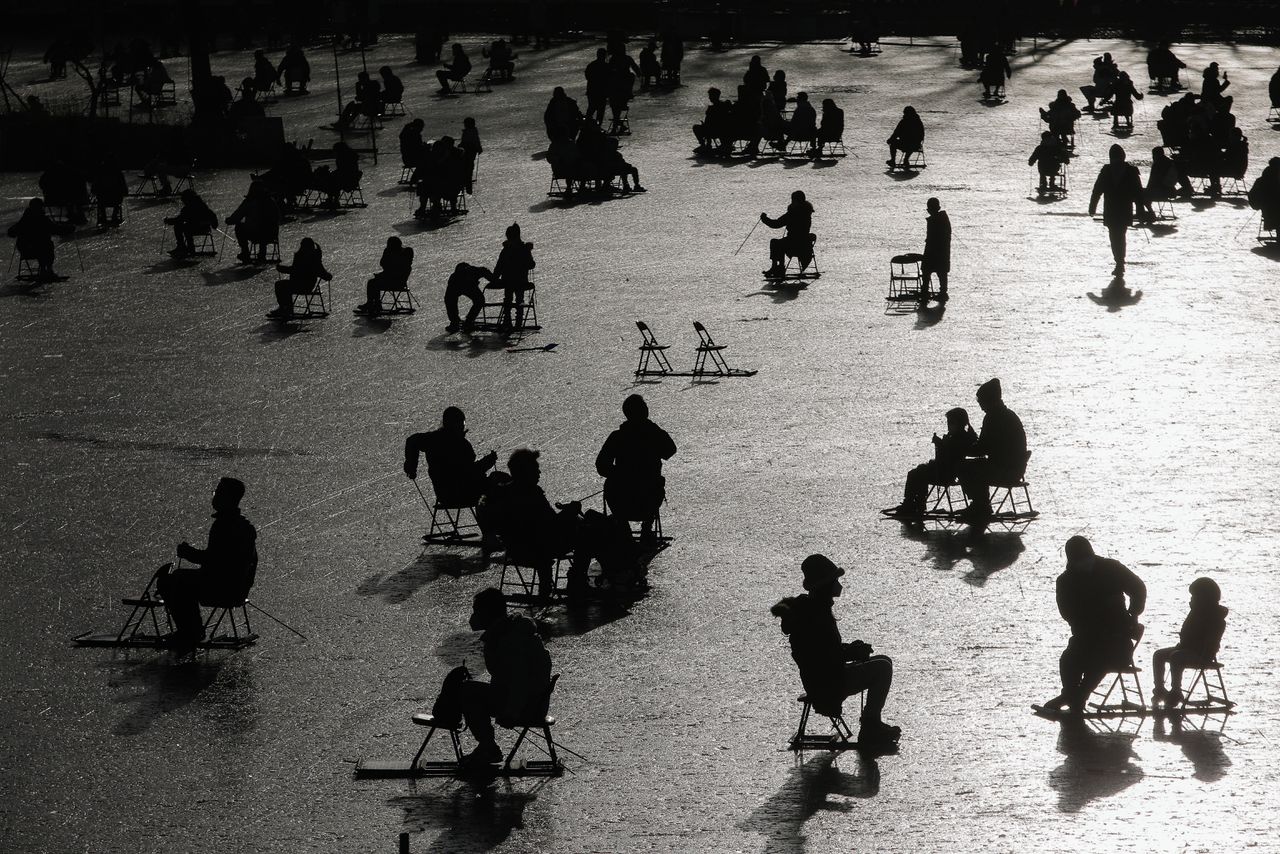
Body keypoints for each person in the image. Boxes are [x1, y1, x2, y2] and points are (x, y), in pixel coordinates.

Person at [770, 554, 902, 747]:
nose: (838, 585)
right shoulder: (815, 616)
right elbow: (826, 657)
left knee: (884, 660)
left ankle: (871, 723)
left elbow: (827, 650)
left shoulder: (814, 610)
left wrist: (851, 649)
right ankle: (870, 727)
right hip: (828, 683)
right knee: (882, 668)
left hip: (825, 677)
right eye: (835, 581)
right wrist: (853, 652)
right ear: (825, 585)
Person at [429, 588, 552, 766]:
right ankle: (487, 746)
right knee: (470, 690)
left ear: (487, 613)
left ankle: (488, 747)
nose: (473, 616)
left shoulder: (509, 639)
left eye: (476, 611)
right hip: (530, 701)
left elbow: (520, 680)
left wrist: (512, 712)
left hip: (526, 704)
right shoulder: (507, 632)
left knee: (467, 692)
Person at [1040, 536, 1146, 716]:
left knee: (1100, 661)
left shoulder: (1111, 568)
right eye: (1079, 560)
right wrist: (1087, 621)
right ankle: (1070, 695)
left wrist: (1133, 613)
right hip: (1086, 636)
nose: (1084, 563)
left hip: (1117, 639)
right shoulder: (1065, 580)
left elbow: (1138, 588)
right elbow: (1067, 612)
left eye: (1086, 558)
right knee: (1068, 659)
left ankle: (1078, 696)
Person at [156, 477, 258, 656]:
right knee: (180, 577)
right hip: (236, 588)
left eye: (217, 493)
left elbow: (215, 560)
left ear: (226, 498)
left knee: (169, 581)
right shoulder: (243, 526)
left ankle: (190, 632)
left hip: (221, 589)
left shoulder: (225, 526)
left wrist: (188, 553)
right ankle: (192, 630)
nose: (214, 496)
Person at [595, 395, 677, 544]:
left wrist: (618, 474)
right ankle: (646, 527)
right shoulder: (652, 434)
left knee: (612, 486)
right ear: (645, 412)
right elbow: (670, 451)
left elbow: (601, 465)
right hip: (648, 499)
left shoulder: (617, 437)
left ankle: (624, 529)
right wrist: (654, 429)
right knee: (653, 484)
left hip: (622, 499)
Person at [956, 378, 1027, 524]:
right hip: (1016, 469)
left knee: (963, 466)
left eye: (981, 403)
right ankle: (980, 504)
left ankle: (980, 506)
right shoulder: (1009, 415)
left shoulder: (993, 418)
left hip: (1005, 470)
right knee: (977, 466)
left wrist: (961, 448)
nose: (981, 407)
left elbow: (982, 448)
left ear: (989, 401)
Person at [1152, 578, 1228, 709]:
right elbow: (1186, 634)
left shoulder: (1214, 617)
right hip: (1185, 649)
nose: (1192, 599)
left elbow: (1208, 641)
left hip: (1202, 654)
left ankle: (1176, 691)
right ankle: (1159, 691)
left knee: (1176, 657)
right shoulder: (1196, 612)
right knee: (1158, 655)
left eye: (1195, 596)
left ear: (1205, 597)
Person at [404, 407, 500, 510]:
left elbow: (412, 441)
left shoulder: (433, 439)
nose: (462, 426)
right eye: (461, 423)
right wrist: (488, 461)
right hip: (464, 492)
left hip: (444, 495)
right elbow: (468, 472)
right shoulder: (461, 445)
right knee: (501, 484)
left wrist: (411, 466)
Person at [890, 408, 977, 517]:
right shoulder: (961, 437)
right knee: (920, 471)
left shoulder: (957, 439)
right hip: (947, 471)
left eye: (951, 423)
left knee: (915, 474)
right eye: (948, 423)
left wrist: (940, 444)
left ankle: (913, 503)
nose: (949, 426)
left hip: (944, 473)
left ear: (960, 424)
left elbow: (945, 458)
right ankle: (917, 503)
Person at [1089, 144, 1153, 277]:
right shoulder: (1131, 171)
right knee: (1121, 236)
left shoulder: (1107, 171)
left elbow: (1097, 190)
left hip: (1112, 209)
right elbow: (1138, 192)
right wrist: (1141, 209)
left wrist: (1092, 206)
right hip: (1124, 208)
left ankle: (1119, 261)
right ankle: (1120, 262)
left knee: (1114, 236)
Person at [6, 198, 74, 281]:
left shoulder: (24, 220)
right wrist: (69, 229)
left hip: (25, 250)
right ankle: (47, 270)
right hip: (39, 250)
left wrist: (16, 231)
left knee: (43, 244)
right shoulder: (43, 220)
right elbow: (56, 229)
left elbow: (11, 232)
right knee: (46, 245)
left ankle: (44, 270)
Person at [269, 237, 332, 318]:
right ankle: (285, 308)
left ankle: (286, 308)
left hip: (305, 285)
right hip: (298, 283)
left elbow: (296, 270)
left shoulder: (312, 259)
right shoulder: (301, 256)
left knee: (282, 286)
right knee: (280, 285)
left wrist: (282, 269)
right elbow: (294, 270)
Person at [760, 190, 815, 278]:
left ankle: (778, 268)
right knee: (779, 243)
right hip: (804, 243)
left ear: (796, 201)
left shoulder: (794, 213)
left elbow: (776, 224)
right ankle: (778, 268)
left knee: (775, 243)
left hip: (795, 243)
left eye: (793, 200)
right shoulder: (806, 211)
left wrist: (764, 219)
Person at [493, 223, 536, 330]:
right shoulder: (523, 249)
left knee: (508, 299)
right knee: (518, 299)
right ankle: (518, 322)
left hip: (509, 280)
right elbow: (531, 265)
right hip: (521, 281)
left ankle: (507, 321)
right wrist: (529, 252)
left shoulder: (506, 250)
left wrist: (494, 278)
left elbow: (499, 266)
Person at [226, 181, 281, 263]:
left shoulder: (249, 202)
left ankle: (245, 252)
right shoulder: (270, 201)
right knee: (264, 228)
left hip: (255, 233)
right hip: (272, 233)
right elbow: (278, 217)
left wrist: (229, 220)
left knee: (239, 227)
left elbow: (237, 216)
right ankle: (262, 254)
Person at [356, 236, 413, 315]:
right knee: (372, 282)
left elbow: (396, 268)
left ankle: (375, 304)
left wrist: (390, 259)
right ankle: (374, 303)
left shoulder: (405, 252)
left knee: (374, 283)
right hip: (388, 277)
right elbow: (382, 263)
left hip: (398, 281)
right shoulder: (388, 251)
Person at [164, 189, 218, 256]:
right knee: (183, 226)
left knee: (180, 227)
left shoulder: (189, 208)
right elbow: (213, 215)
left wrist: (169, 221)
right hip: (203, 227)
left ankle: (185, 247)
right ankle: (183, 247)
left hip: (198, 228)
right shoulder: (202, 205)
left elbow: (179, 219)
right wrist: (214, 225)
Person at [444, 262, 494, 332]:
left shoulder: (454, 277)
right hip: (468, 285)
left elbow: (449, 300)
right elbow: (484, 270)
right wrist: (493, 280)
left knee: (479, 300)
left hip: (465, 285)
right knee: (479, 300)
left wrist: (454, 320)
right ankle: (467, 321)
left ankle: (459, 322)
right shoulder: (473, 271)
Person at [921, 197, 951, 301]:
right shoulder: (942, 219)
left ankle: (926, 291)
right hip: (942, 252)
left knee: (927, 270)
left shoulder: (934, 220)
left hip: (935, 252)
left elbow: (932, 239)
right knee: (941, 272)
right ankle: (942, 292)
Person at [90, 158, 128, 228]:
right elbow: (124, 187)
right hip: (115, 199)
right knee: (118, 197)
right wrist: (125, 192)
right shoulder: (118, 172)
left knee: (100, 198)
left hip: (103, 199)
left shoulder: (100, 172)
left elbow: (94, 188)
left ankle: (103, 217)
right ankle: (114, 215)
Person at [692, 87, 731, 153]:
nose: (709, 98)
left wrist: (704, 125)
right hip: (723, 129)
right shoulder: (724, 105)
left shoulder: (711, 108)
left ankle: (704, 145)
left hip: (714, 130)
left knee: (696, 127)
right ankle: (709, 145)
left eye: (710, 96)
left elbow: (708, 123)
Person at [1248, 156, 1280, 231]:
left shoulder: (1261, 180)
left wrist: (1258, 204)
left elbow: (1252, 195)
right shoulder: (1271, 181)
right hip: (1271, 211)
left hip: (1267, 210)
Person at [584, 48, 611, 125]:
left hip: (592, 90)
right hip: (602, 91)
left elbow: (587, 77)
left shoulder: (591, 65)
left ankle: (587, 125)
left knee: (591, 108)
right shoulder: (606, 66)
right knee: (600, 110)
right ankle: (598, 126)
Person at [460, 117, 482, 193]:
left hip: (469, 151)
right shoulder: (473, 131)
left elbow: (471, 141)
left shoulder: (469, 132)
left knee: (467, 166)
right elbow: (477, 140)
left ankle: (467, 185)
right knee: (469, 166)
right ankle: (468, 186)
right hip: (471, 151)